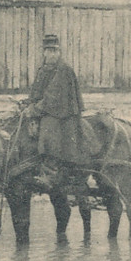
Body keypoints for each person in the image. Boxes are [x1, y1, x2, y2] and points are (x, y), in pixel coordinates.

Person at [25, 34, 86, 190]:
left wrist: (35, 109)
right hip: (48, 110)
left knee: (48, 128)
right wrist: (29, 104)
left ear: (59, 53)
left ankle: (50, 173)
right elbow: (36, 92)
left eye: (54, 51)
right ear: (43, 52)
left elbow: (52, 97)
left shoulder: (64, 70)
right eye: (48, 51)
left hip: (63, 114)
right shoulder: (43, 69)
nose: (50, 54)